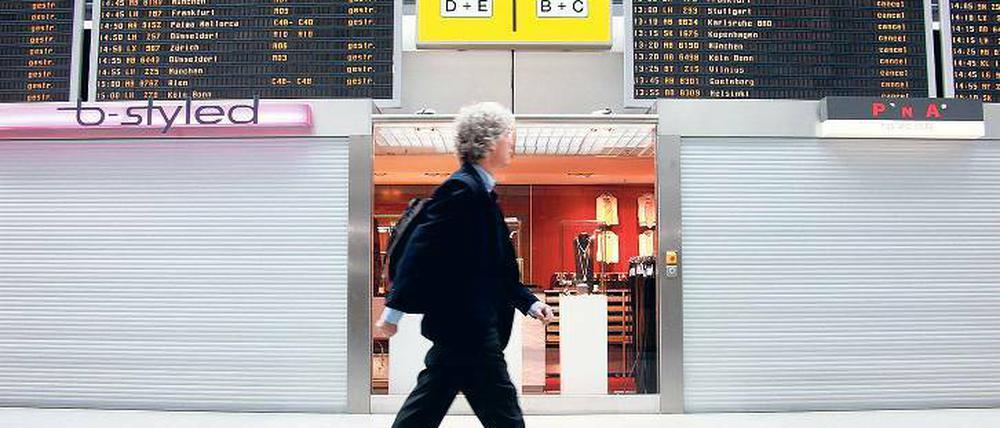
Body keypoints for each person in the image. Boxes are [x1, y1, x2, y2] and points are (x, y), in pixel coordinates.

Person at [375, 102, 555, 428]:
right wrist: (392, 312)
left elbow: (494, 269)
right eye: (507, 135)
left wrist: (529, 302)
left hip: (463, 329)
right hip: (469, 329)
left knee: (427, 407)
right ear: (487, 142)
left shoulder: (480, 192)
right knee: (504, 417)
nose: (512, 142)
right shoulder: (462, 189)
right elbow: (421, 249)